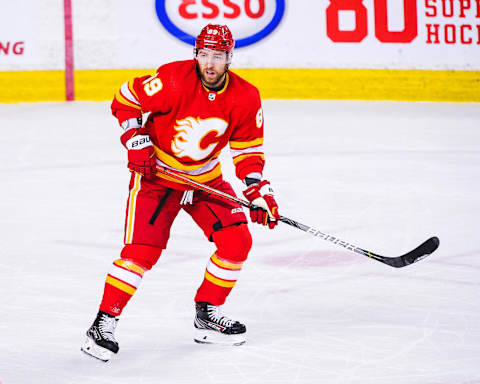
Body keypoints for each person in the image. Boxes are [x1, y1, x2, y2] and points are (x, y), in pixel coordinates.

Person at [81, 24, 280, 362]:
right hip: (158, 177)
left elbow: (247, 152)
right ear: (196, 54)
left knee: (237, 242)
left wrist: (259, 192)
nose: (210, 63)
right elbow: (125, 101)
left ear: (230, 57)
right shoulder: (172, 80)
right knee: (141, 252)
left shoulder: (246, 96)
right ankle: (103, 324)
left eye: (218, 56)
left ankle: (207, 315)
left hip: (206, 180)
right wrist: (136, 139)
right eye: (204, 54)